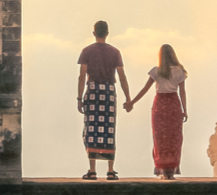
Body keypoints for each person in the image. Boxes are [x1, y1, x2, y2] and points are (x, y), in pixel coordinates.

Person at [77, 20, 131, 180]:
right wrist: (128, 98)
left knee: (91, 130)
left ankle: (92, 170)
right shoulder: (115, 52)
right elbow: (122, 76)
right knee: (109, 130)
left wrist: (79, 98)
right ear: (107, 33)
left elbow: (82, 76)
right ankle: (110, 170)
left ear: (94, 33)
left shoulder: (86, 51)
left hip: (93, 90)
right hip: (109, 91)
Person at [126, 44, 188, 179]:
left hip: (160, 105)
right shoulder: (179, 71)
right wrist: (184, 110)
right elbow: (182, 92)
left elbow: (144, 89)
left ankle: (163, 170)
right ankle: (171, 170)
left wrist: (132, 102)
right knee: (174, 138)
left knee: (160, 138)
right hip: (173, 104)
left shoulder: (156, 71)